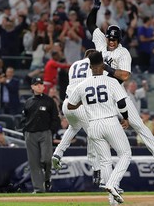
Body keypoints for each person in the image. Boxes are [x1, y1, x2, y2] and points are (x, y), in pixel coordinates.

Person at [86, 0, 154, 168]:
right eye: (109, 39)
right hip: (99, 93)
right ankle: (96, 166)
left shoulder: (123, 53)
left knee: (139, 125)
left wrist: (104, 66)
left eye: (114, 40)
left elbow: (125, 76)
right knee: (91, 126)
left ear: (119, 40)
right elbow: (90, 24)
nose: (111, 42)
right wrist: (95, 9)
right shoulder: (100, 43)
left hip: (116, 91)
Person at [67, 51, 131, 204]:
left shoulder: (82, 84)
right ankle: (111, 183)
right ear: (103, 64)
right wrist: (126, 118)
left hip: (93, 125)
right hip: (110, 121)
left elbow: (70, 105)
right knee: (126, 154)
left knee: (105, 161)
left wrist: (84, 102)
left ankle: (112, 201)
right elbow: (121, 104)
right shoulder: (111, 81)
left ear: (89, 66)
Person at [52, 49, 101, 185]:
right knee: (93, 132)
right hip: (79, 104)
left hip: (67, 103)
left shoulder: (74, 65)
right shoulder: (92, 65)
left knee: (73, 128)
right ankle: (96, 168)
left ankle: (57, 153)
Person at [21, 77, 60, 193]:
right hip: (30, 134)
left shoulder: (49, 101)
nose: (39, 86)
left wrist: (50, 131)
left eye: (41, 84)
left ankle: (47, 178)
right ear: (32, 87)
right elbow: (23, 118)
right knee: (34, 163)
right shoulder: (28, 102)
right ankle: (39, 189)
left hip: (45, 133)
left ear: (43, 87)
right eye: (36, 84)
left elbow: (55, 118)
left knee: (47, 159)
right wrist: (25, 131)